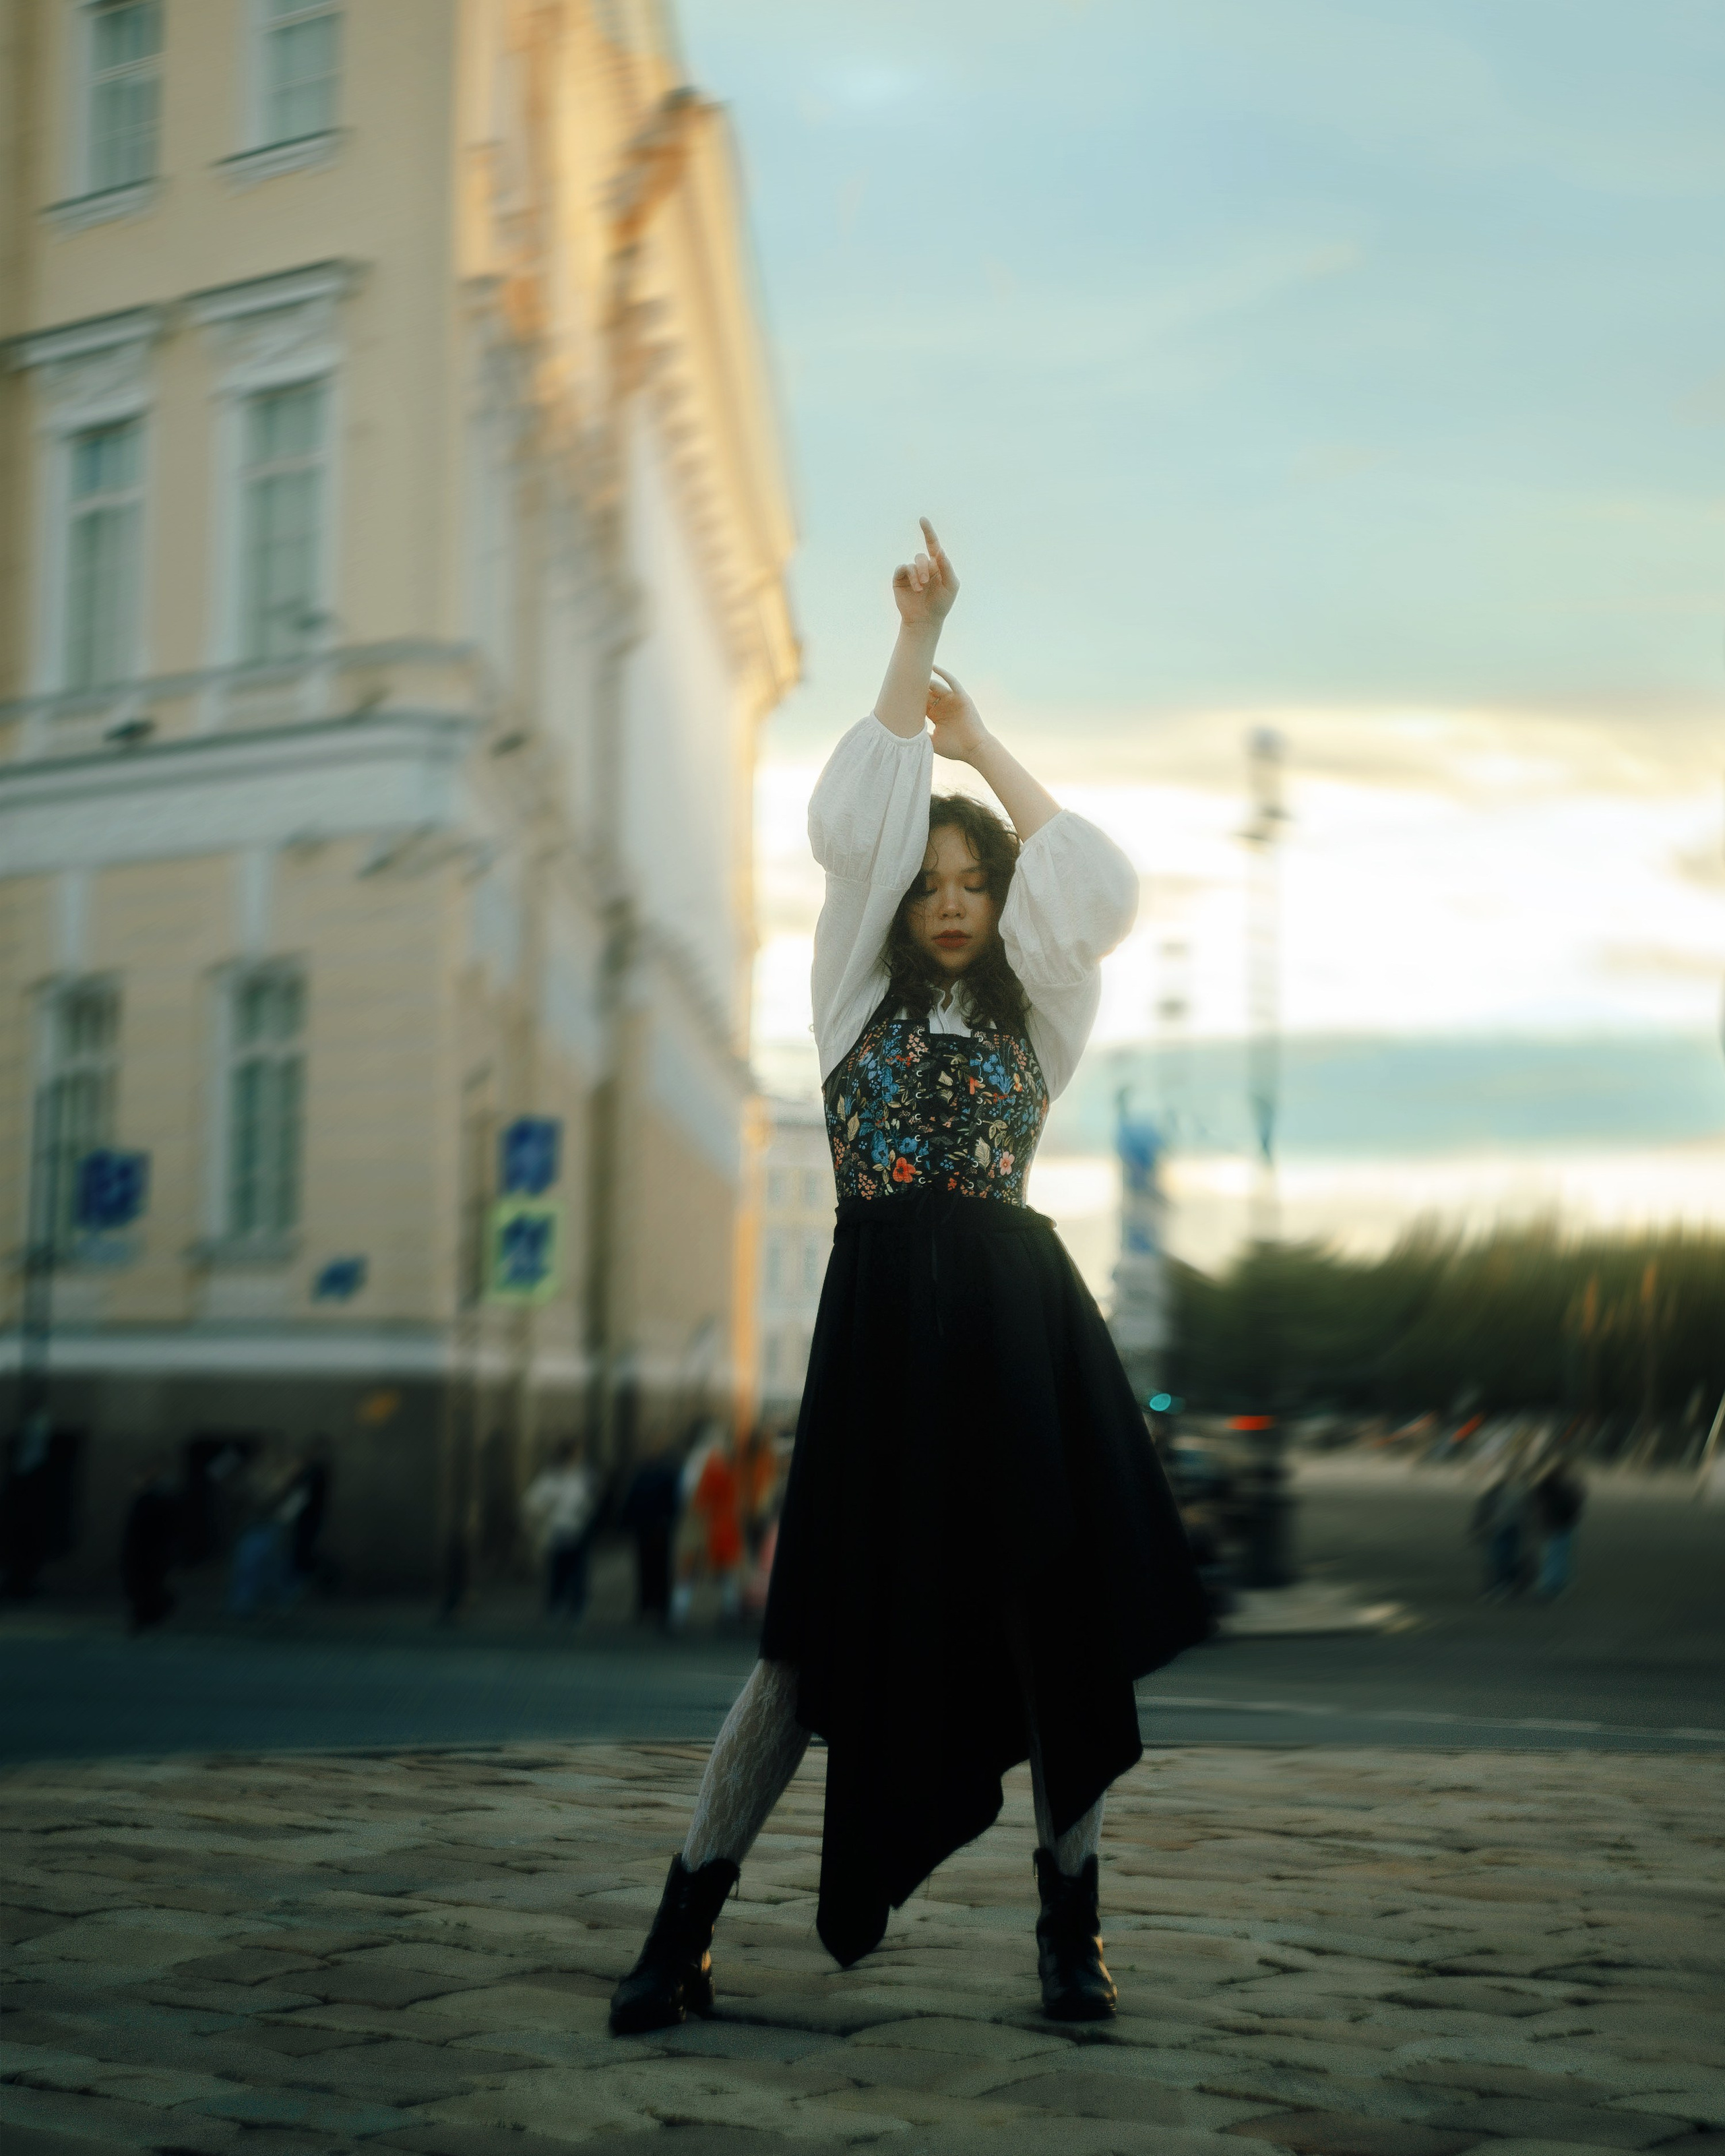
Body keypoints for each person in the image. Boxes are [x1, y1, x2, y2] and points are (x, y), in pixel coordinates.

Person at [610, 520, 1210, 2037]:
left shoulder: (1041, 1016)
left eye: (974, 881)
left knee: (1050, 1631)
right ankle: (680, 1927)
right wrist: (913, 652)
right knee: (809, 1649)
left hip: (1020, 1339)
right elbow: (853, 823)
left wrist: (983, 742)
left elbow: (1097, 883)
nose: (948, 897)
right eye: (929, 878)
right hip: (883, 1343)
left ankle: (1067, 1931)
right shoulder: (847, 991)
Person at [522, 1441, 598, 1620]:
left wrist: (587, 1512)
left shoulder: (584, 1476)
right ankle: (557, 1603)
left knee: (578, 1569)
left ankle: (576, 1605)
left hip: (579, 1529)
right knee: (560, 1568)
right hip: (558, 1529)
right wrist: (544, 1509)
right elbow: (531, 1502)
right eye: (575, 1456)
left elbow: (592, 1499)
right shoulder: (552, 1478)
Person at [617, 1438, 681, 1624]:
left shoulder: (642, 1474)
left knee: (647, 1568)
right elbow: (673, 1502)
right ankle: (659, 1605)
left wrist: (627, 1522)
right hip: (658, 1528)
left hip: (646, 1528)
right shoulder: (666, 1474)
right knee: (658, 1567)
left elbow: (631, 1501)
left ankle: (648, 1605)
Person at [121, 1460, 182, 1632]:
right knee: (143, 1587)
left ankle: (147, 1617)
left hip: (148, 1553)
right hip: (146, 1553)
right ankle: (145, 1617)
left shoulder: (153, 1500)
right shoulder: (150, 1499)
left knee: (146, 1586)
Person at [1530, 1457, 1584, 1599]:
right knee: (1557, 1555)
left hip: (1558, 1523)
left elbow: (1574, 1503)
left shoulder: (1551, 1485)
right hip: (1559, 1523)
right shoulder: (1556, 1486)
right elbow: (1574, 1504)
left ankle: (1553, 1585)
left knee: (1555, 1555)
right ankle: (1553, 1585)